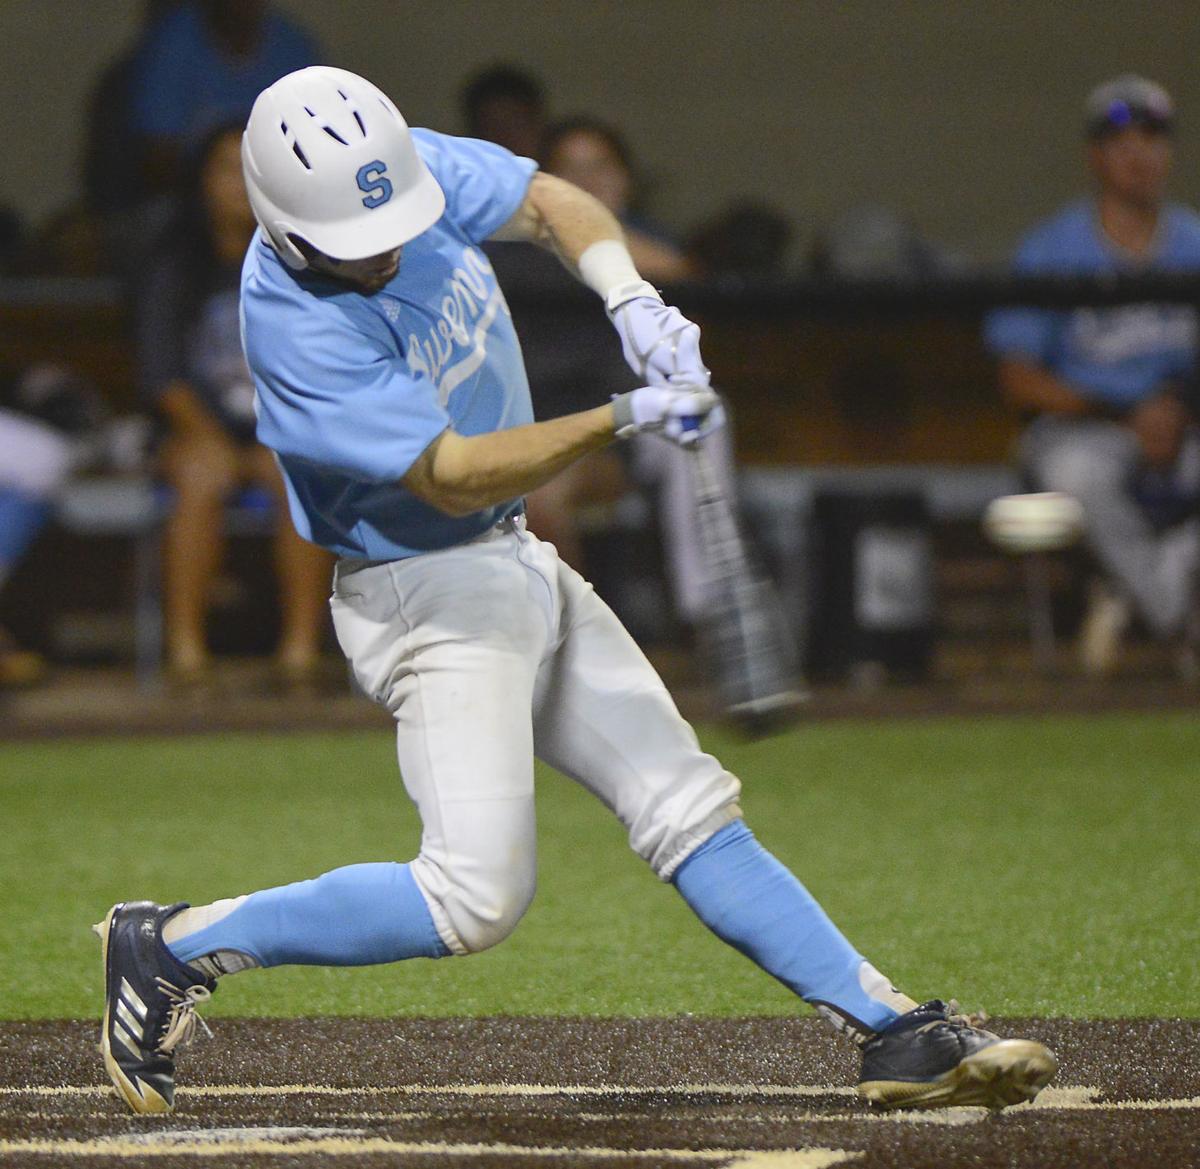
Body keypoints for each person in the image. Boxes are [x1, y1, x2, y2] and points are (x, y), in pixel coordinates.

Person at [94, 66, 1055, 1118]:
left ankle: (895, 1030)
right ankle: (170, 943)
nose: (384, 246)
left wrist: (633, 297)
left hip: (506, 560)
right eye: (356, 240)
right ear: (286, 227)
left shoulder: (382, 168)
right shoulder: (296, 329)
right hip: (424, 588)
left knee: (688, 806)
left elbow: (551, 200)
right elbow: (452, 471)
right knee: (474, 896)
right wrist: (622, 414)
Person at [985, 75, 1200, 675]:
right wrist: (1125, 412)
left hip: (1181, 423)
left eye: (1152, 141)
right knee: (1076, 473)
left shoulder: (1195, 242)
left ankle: (1135, 591)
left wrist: (1175, 409)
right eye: (1121, 143)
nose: (1139, 156)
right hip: (1087, 427)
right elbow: (1018, 378)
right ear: (1095, 157)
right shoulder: (1052, 248)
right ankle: (1181, 615)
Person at [136, 122, 332, 686]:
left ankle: (299, 652)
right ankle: (186, 655)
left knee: (300, 477)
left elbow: (323, 361)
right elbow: (162, 373)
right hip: (196, 429)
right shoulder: (174, 265)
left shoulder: (305, 263)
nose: (239, 183)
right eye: (226, 168)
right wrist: (210, 436)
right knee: (201, 477)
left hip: (282, 427)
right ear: (200, 180)